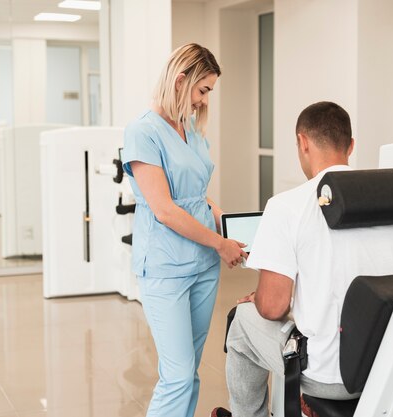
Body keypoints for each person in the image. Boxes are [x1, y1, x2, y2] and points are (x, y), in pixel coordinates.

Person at [212, 101, 393, 417]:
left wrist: (261, 298)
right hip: (390, 365)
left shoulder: (287, 206)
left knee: (242, 321)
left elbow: (272, 308)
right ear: (351, 146)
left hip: (326, 376)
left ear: (302, 142)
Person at [122, 43, 248, 417]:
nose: (204, 100)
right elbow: (165, 210)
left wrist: (232, 230)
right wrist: (220, 243)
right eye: (203, 90)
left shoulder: (190, 128)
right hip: (165, 268)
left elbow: (198, 197)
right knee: (176, 376)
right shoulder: (142, 132)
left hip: (202, 265)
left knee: (187, 371)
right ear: (180, 80)